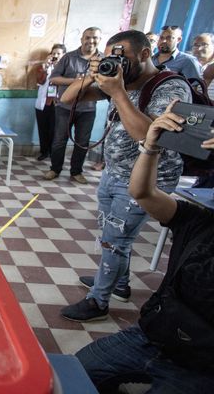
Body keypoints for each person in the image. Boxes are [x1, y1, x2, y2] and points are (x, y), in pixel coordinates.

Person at [75, 107, 214, 392]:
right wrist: (150, 147)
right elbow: (142, 193)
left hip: (203, 366)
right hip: (153, 338)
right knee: (74, 373)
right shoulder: (199, 223)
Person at [57, 29, 191, 322]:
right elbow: (67, 98)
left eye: (122, 57)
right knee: (113, 234)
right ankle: (118, 281)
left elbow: (148, 136)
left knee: (115, 239)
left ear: (145, 54)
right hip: (114, 173)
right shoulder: (123, 82)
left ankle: (99, 302)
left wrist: (117, 91)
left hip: (147, 180)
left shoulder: (169, 87)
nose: (117, 63)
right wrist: (93, 75)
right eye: (111, 57)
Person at [44, 27, 103, 184]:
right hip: (65, 108)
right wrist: (77, 82)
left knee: (82, 142)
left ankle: (76, 171)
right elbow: (54, 79)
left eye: (95, 38)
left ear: (100, 40)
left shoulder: (103, 60)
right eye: (88, 37)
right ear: (82, 39)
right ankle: (55, 169)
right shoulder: (68, 58)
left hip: (88, 109)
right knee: (59, 140)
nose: (91, 41)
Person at [34, 44, 66, 161]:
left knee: (55, 130)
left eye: (58, 54)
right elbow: (40, 82)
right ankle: (44, 151)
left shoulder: (66, 68)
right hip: (43, 103)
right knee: (43, 129)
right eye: (54, 53)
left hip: (58, 104)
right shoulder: (43, 67)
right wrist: (46, 68)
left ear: (64, 56)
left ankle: (54, 153)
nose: (56, 56)